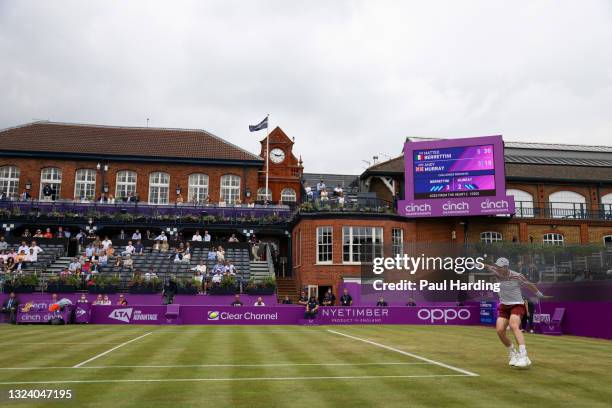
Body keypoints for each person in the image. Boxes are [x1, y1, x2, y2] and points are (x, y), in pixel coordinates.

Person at [485, 257, 551, 369]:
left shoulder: (517, 276)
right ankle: (513, 353)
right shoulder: (495, 270)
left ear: (506, 267)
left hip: (517, 304)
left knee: (514, 325)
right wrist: (475, 264)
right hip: (504, 305)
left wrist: (540, 295)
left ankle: (524, 356)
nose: (498, 268)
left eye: (500, 267)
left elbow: (529, 284)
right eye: (497, 266)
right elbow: (486, 266)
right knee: (500, 330)